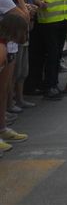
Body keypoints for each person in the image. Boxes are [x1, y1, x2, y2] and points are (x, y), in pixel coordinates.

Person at [0, 13, 30, 154]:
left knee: (3, 92)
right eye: (24, 32)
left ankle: (2, 129)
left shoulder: (4, 45)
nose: (26, 36)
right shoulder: (1, 49)